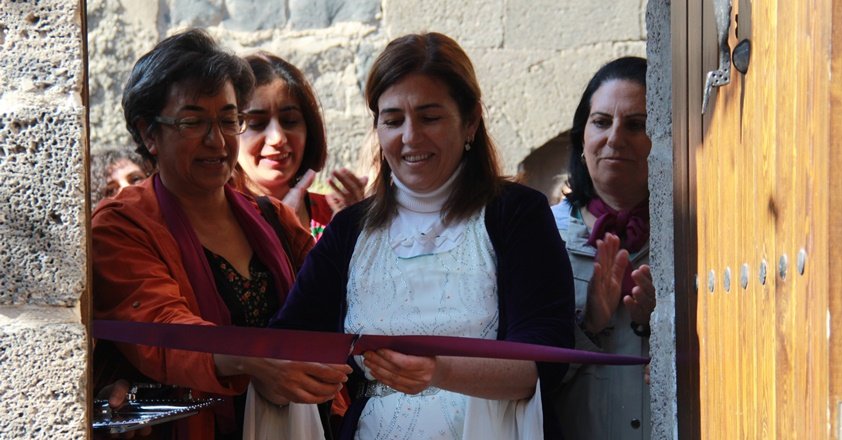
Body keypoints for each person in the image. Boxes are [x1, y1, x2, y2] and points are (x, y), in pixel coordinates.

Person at [270, 32, 575, 439]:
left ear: (470, 121)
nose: (410, 137)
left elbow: (546, 360)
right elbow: (289, 339)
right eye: (393, 120)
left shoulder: (518, 214)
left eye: (430, 117)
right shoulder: (350, 230)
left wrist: (440, 372)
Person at [91, 29, 350, 439]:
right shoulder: (122, 225)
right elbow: (160, 327)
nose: (217, 140)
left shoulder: (273, 218)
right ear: (148, 133)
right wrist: (255, 359)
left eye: (228, 120)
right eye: (193, 121)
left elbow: (336, 308)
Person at [550, 56, 655, 440]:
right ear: (582, 137)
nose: (614, 138)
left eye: (636, 125)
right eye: (601, 122)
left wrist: (661, 325)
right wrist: (590, 324)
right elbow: (523, 379)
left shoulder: (696, 235)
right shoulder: (544, 236)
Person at [236, 52, 367, 240]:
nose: (277, 138)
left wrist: (353, 234)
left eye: (289, 121)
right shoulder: (216, 224)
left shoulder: (334, 216)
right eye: (257, 123)